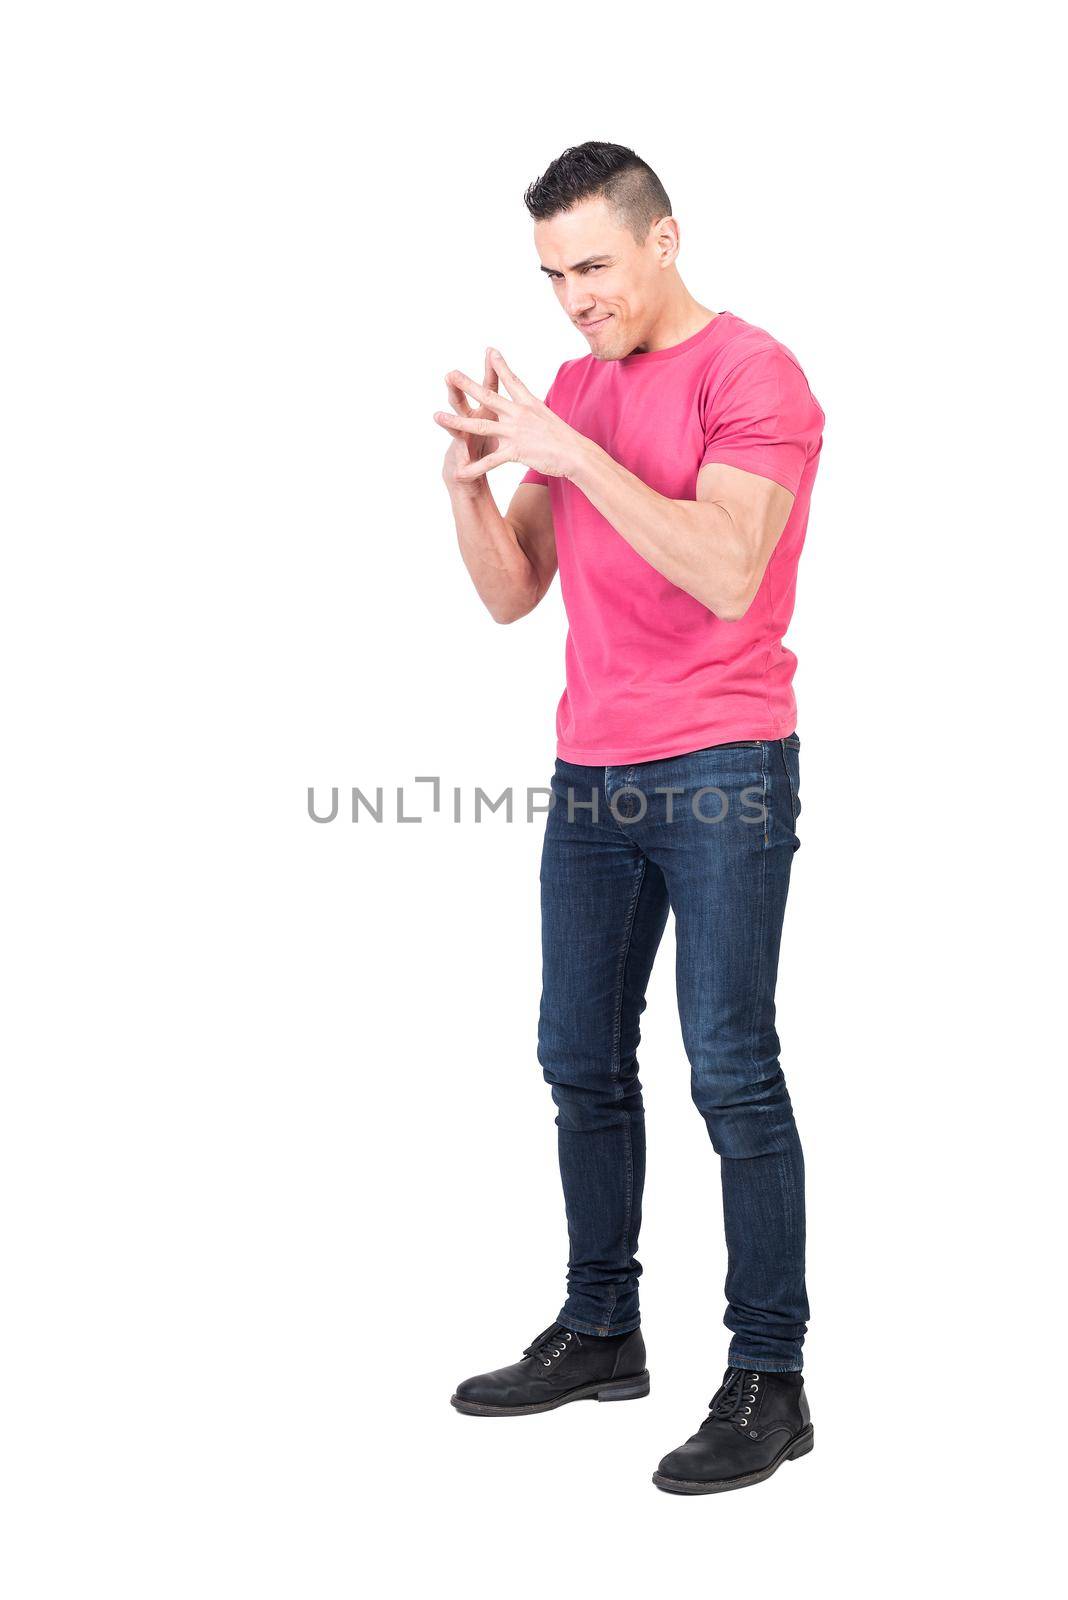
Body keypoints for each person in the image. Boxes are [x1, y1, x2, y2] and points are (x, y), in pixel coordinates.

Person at [434, 141, 824, 1495]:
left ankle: (770, 1377)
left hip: (724, 762)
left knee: (730, 1065)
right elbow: (511, 593)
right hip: (592, 772)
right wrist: (472, 486)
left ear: (664, 240)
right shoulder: (577, 390)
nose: (576, 302)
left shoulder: (752, 375)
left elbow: (727, 570)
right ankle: (602, 1328)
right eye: (552, 277)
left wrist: (571, 449)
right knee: (578, 1060)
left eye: (593, 266)